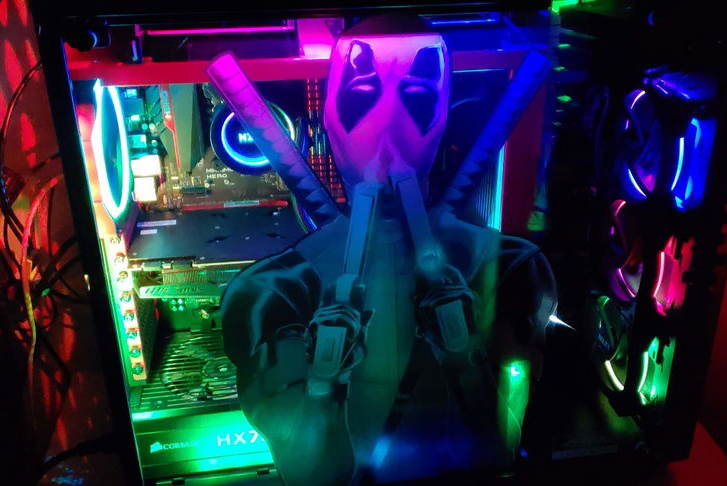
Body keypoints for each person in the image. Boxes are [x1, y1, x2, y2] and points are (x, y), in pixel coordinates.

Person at [221, 14, 564, 484]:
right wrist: (323, 385)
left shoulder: (512, 269)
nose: (388, 124)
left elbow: (498, 453)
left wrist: (464, 360)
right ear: (329, 118)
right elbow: (309, 472)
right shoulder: (272, 293)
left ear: (442, 118)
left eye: (417, 96)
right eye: (364, 93)